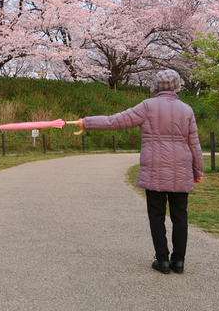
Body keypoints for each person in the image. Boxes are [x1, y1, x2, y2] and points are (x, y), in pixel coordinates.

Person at [75, 69, 203, 274]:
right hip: (181, 169)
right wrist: (198, 170)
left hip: (154, 169)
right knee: (180, 215)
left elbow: (114, 121)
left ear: (156, 86)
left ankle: (162, 260)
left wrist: (87, 122)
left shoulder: (147, 106)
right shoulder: (186, 109)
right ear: (177, 86)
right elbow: (194, 143)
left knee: (156, 215)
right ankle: (179, 261)